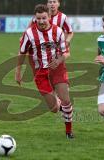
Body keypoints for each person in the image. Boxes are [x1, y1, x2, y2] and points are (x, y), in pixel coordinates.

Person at [15, 4, 74, 139]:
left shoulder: (58, 31)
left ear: (49, 17)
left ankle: (69, 131)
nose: (41, 21)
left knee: (66, 100)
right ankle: (63, 108)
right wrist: (18, 72)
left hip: (57, 69)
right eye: (38, 19)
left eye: (44, 18)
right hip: (40, 73)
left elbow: (66, 53)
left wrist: (58, 61)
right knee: (54, 109)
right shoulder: (29, 33)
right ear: (35, 19)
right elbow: (22, 53)